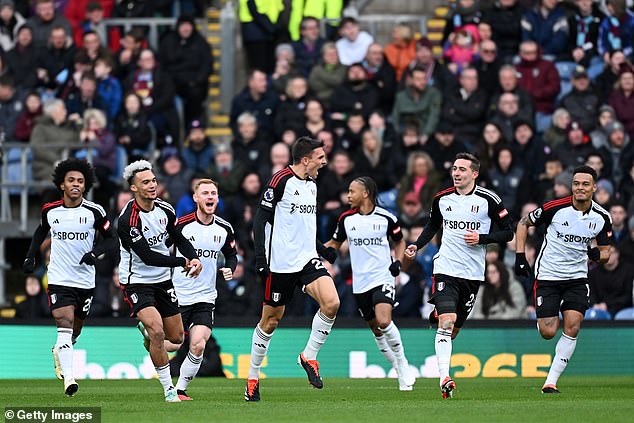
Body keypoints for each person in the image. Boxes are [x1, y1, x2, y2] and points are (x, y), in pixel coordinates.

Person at [403, 152, 514, 398]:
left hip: (473, 274)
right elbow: (433, 225)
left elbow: (508, 232)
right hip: (446, 268)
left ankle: (438, 312)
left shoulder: (489, 199)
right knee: (447, 321)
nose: (456, 173)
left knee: (452, 330)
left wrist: (482, 238)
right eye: (454, 168)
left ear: (474, 173)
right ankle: (444, 377)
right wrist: (417, 245)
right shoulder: (441, 198)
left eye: (462, 169)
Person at [245, 137, 339, 401]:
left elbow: (303, 225)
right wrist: (261, 259)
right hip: (281, 263)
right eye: (320, 157)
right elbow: (261, 220)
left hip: (307, 259)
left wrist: (321, 249)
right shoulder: (280, 181)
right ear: (306, 159)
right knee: (270, 322)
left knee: (331, 303)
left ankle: (309, 356)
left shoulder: (312, 185)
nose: (324, 162)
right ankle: (253, 378)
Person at [22, 158, 117, 396]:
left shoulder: (95, 211)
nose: (76, 184)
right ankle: (70, 380)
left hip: (85, 280)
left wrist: (95, 253)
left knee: (75, 329)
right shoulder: (50, 211)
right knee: (63, 324)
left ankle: (60, 351)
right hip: (59, 278)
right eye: (71, 180)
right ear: (62, 184)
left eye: (80, 181)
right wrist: (31, 256)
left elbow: (112, 239)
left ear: (86, 187)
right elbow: (40, 231)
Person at [514, 165, 612, 394]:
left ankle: (550, 381)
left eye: (585, 184)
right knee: (549, 331)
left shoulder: (602, 217)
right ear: (572, 186)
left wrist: (599, 256)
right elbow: (522, 223)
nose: (580, 187)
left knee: (573, 326)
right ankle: (542, 322)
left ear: (594, 187)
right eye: (576, 183)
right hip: (548, 274)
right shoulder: (555, 207)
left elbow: (606, 252)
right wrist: (520, 257)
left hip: (577, 277)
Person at [117, 160, 202, 402]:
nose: (152, 185)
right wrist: (181, 263)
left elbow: (178, 237)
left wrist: (193, 257)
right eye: (145, 182)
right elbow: (147, 256)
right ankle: (169, 390)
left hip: (163, 281)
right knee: (157, 331)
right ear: (134, 188)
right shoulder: (128, 220)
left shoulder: (165, 209)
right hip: (137, 281)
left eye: (153, 180)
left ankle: (147, 335)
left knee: (176, 339)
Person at [324, 176, 416, 391]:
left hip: (382, 276)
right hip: (360, 282)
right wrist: (314, 246)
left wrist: (399, 262)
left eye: (351, 191)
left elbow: (400, 241)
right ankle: (398, 367)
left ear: (365, 193)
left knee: (384, 322)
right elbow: (335, 244)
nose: (348, 196)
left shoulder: (386, 218)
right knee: (376, 330)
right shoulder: (346, 219)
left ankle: (402, 363)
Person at [160, 179, 238, 401]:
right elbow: (160, 249)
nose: (210, 197)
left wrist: (230, 268)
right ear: (196, 198)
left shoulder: (224, 228)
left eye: (214, 193)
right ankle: (150, 335)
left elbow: (232, 254)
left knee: (199, 343)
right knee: (174, 343)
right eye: (205, 193)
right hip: (179, 294)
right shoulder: (181, 226)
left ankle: (181, 390)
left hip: (205, 296)